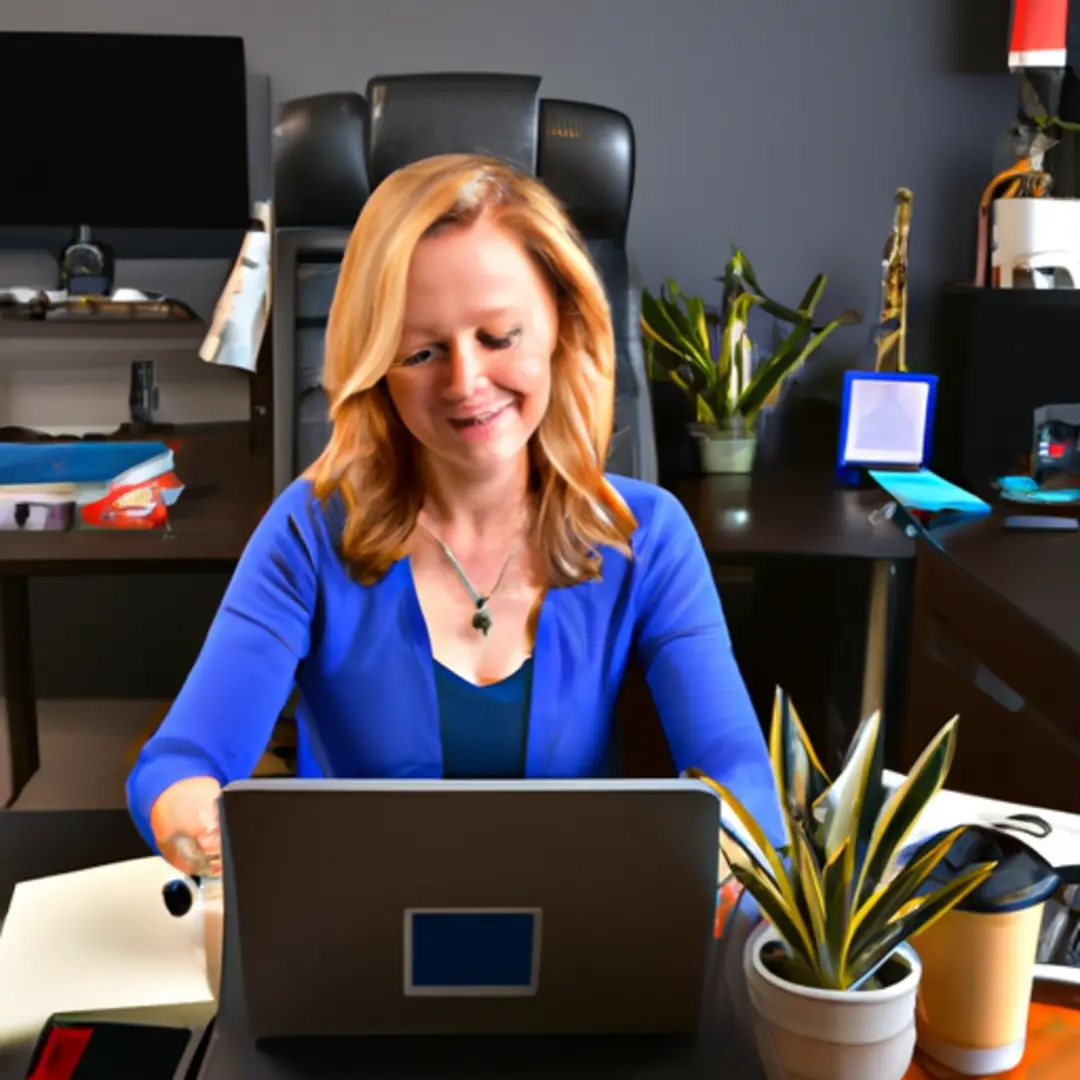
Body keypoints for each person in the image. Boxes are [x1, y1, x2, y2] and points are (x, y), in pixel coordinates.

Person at [128, 153, 783, 874]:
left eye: (499, 338)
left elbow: (733, 764)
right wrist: (190, 813)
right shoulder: (308, 532)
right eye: (421, 352)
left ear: (562, 326)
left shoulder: (645, 536)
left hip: (577, 939)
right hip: (353, 936)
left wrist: (736, 848)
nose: (467, 383)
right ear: (376, 364)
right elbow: (184, 758)